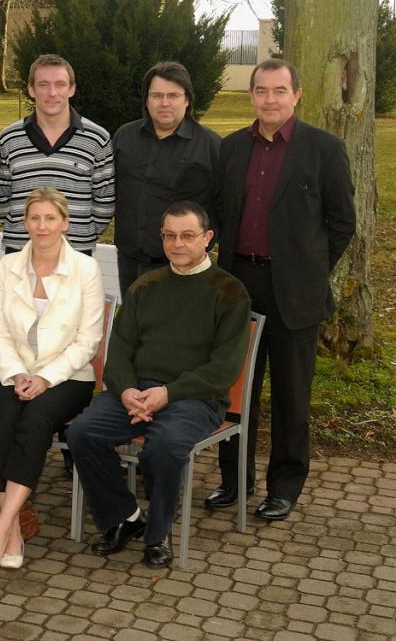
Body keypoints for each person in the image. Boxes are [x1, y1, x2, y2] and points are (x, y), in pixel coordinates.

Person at [206, 58, 355, 522]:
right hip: (239, 285)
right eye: (262, 91)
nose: (270, 100)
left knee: (292, 397)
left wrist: (308, 270)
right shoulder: (231, 149)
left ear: (297, 95)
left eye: (279, 91)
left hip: (295, 293)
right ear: (251, 96)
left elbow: (342, 222)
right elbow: (219, 212)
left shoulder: (324, 150)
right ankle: (235, 481)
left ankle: (284, 488)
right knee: (235, 391)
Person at [66, 202, 250, 568]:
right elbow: (118, 352)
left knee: (162, 447)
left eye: (187, 236)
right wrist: (127, 390)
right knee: (83, 433)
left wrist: (169, 393)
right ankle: (125, 518)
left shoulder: (230, 293)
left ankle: (158, 534)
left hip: (193, 398)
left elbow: (223, 369)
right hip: (136, 392)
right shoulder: (145, 287)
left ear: (207, 238)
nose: (177, 244)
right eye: (169, 236)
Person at [0, 187, 103, 572]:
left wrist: (45, 378)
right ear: (24, 222)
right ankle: (12, 529)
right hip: (11, 371)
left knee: (34, 422)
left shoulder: (86, 269)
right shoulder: (8, 264)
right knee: (4, 422)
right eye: (34, 218)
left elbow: (88, 340)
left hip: (67, 377)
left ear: (65, 222)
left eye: (50, 218)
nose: (41, 226)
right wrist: (16, 373)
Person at [112, 62, 220, 293]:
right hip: (130, 262)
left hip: (182, 267)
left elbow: (224, 204)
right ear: (146, 100)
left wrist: (201, 248)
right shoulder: (125, 137)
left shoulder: (209, 146)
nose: (164, 103)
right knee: (134, 327)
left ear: (187, 99)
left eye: (173, 95)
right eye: (157, 95)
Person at [0, 54, 114, 255]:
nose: (52, 93)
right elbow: (2, 197)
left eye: (60, 84)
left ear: (72, 89)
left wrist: (82, 235)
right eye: (43, 85)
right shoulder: (9, 138)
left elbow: (104, 201)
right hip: (20, 253)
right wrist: (19, 230)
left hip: (75, 254)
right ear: (31, 89)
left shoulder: (97, 138)